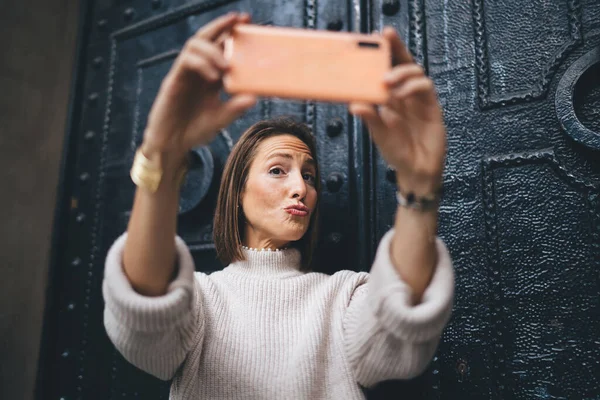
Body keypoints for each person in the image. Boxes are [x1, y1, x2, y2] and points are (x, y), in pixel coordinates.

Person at [102, 11, 454, 400]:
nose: (300, 188)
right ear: (237, 191)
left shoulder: (342, 296)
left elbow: (397, 333)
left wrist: (420, 187)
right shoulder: (199, 299)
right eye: (277, 170)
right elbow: (144, 315)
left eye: (310, 176)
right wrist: (164, 159)